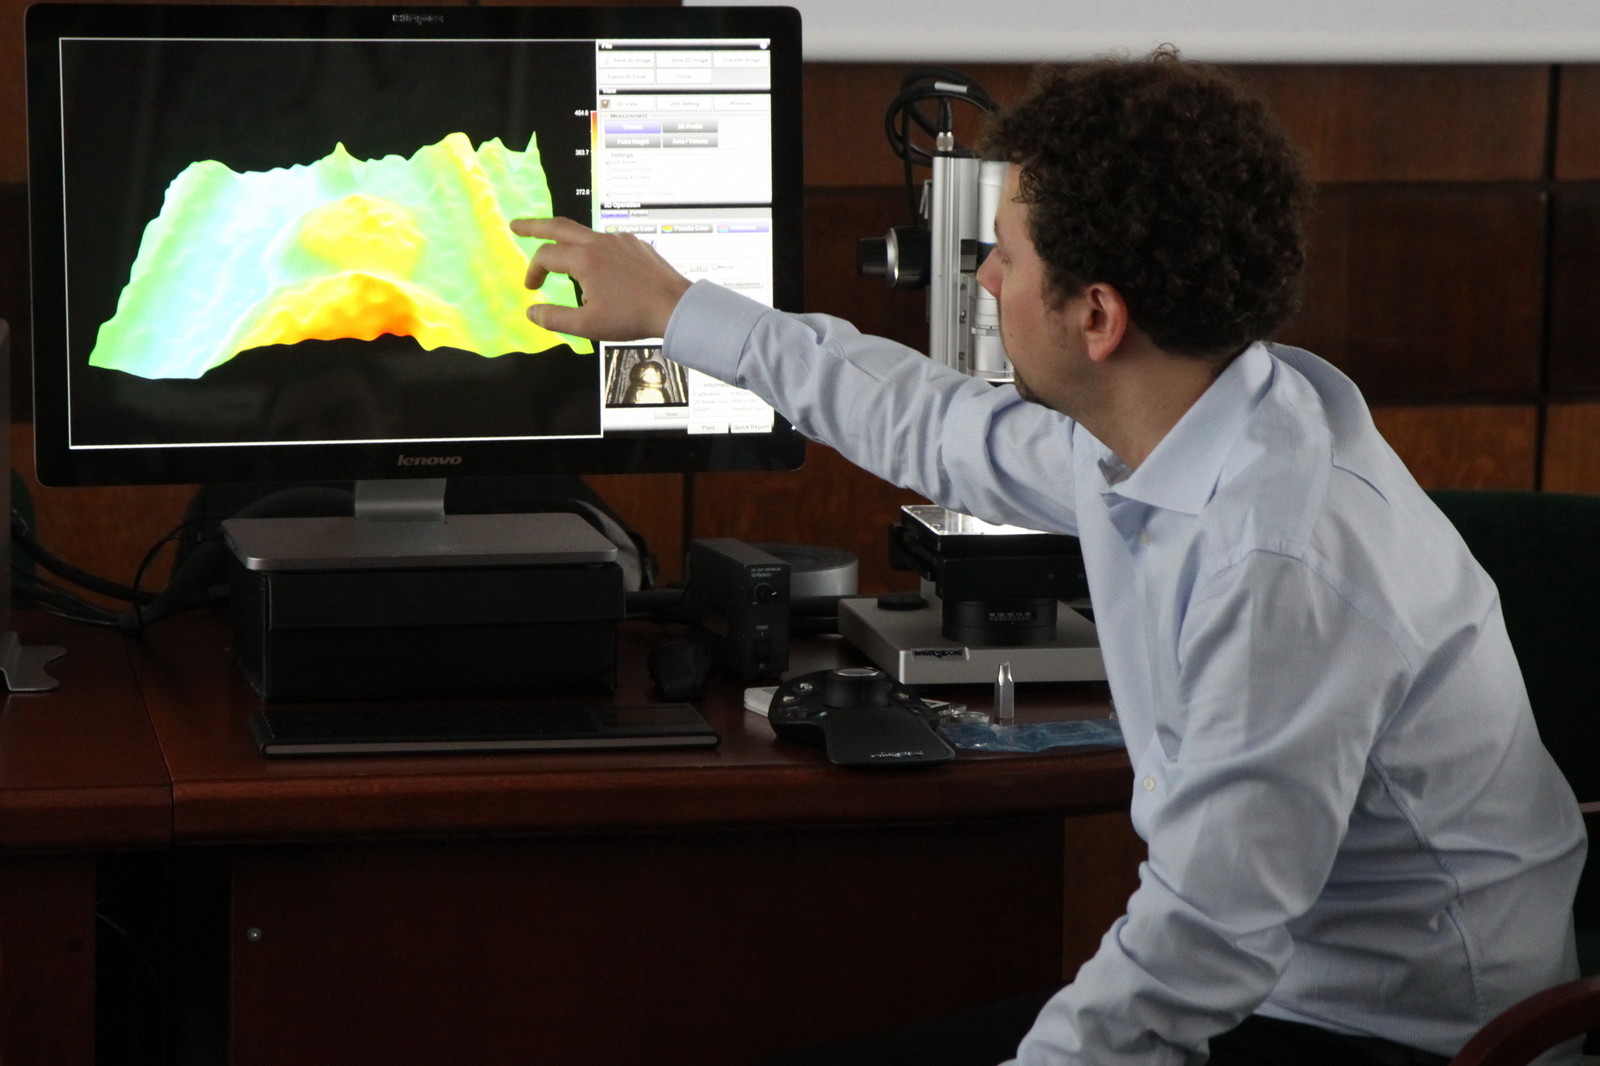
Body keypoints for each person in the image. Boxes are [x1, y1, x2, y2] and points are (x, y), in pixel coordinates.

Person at [510, 49, 1586, 1066]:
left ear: (1097, 316)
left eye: (1006, 256)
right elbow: (929, 422)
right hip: (1273, 981)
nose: (984, 279)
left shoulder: (1279, 563)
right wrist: (675, 309)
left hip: (1398, 1036)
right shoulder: (1187, 417)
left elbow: (1200, 944)